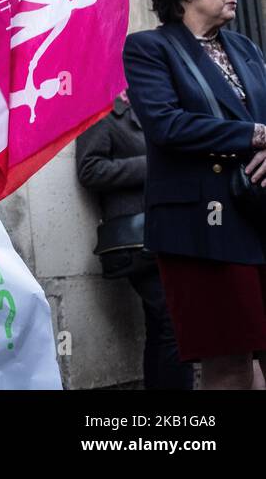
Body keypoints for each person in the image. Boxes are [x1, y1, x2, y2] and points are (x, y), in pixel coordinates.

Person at [124, 0, 266, 389]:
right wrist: (255, 136)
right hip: (202, 225)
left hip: (260, 215)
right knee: (228, 358)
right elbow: (167, 125)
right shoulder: (149, 48)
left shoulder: (245, 48)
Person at [75, 89, 194, 389]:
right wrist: (151, 166)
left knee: (162, 324)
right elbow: (90, 169)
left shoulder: (155, 109)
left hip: (170, 232)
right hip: (137, 240)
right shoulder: (101, 111)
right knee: (174, 323)